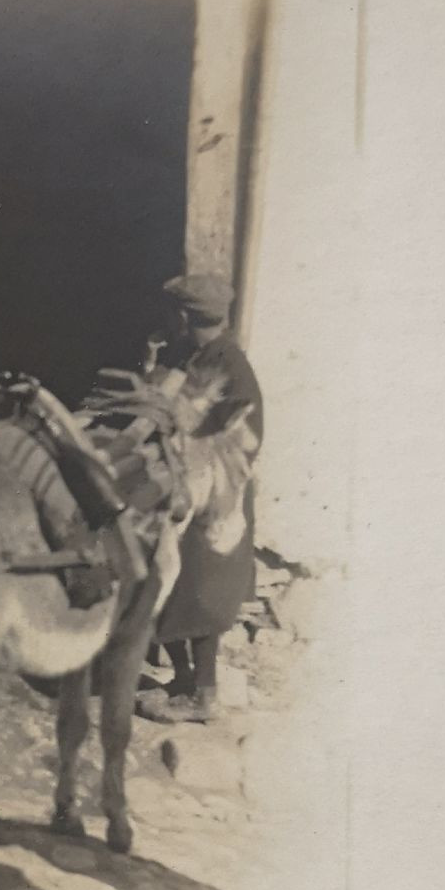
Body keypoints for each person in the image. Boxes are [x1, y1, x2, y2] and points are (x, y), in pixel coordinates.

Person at [139, 273, 264, 724]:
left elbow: (239, 435)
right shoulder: (202, 355)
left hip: (215, 502)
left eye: (175, 314)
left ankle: (204, 696)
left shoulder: (232, 367)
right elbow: (172, 402)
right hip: (190, 490)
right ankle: (185, 681)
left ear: (184, 315)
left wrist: (190, 439)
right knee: (176, 589)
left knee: (203, 595)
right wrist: (153, 363)